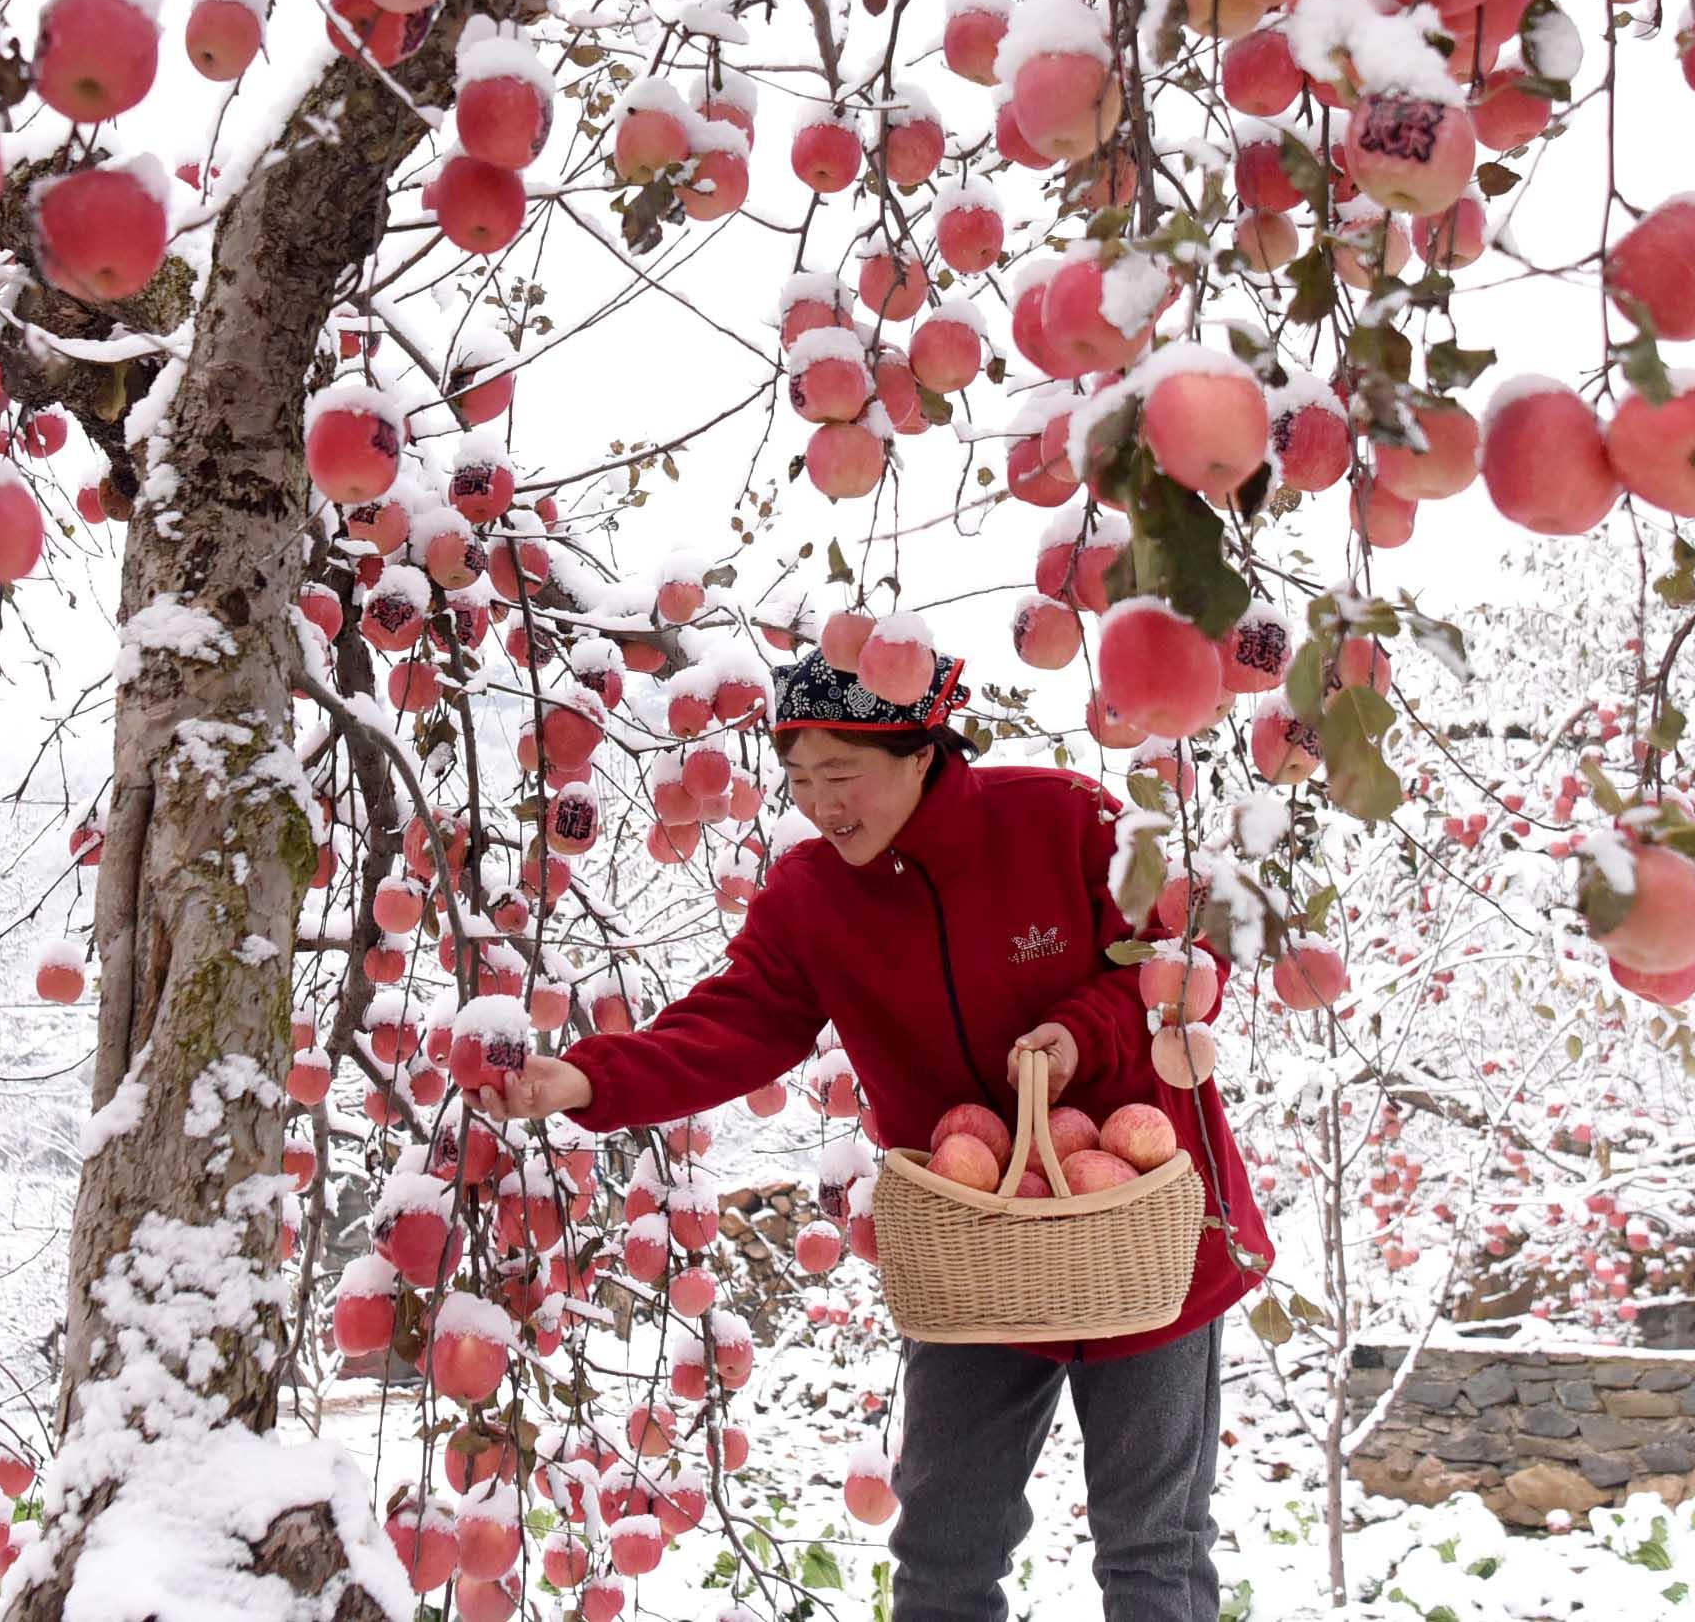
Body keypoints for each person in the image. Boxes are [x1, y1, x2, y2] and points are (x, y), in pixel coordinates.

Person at [464, 651, 1272, 1622]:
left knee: (1154, 1548)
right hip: (969, 1249)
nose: (819, 804)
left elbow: (1185, 950)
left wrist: (1085, 1029)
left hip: (1137, 1233)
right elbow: (737, 1020)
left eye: (841, 775)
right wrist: (589, 1075)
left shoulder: (1065, 819)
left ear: (921, 752)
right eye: (800, 779)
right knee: (943, 1546)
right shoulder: (814, 897)